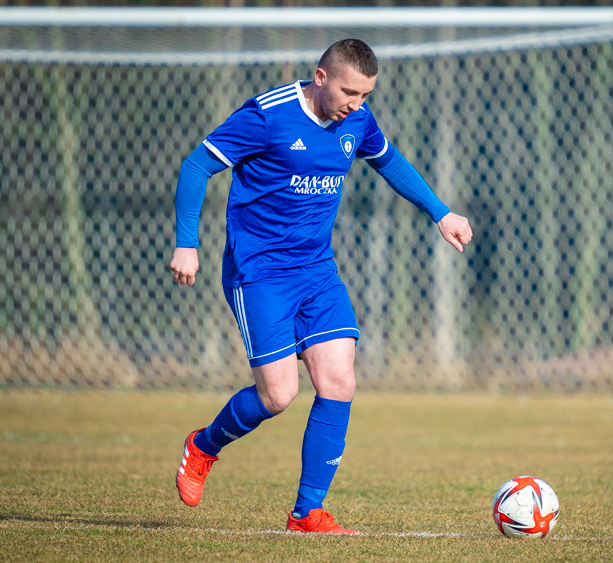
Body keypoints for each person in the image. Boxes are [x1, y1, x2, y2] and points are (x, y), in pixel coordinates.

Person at [169, 39, 472, 535]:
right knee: (278, 395)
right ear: (321, 77)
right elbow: (197, 165)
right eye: (350, 91)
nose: (357, 104)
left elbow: (390, 163)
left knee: (339, 382)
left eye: (366, 94)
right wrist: (187, 244)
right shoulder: (268, 116)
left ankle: (306, 512)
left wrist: (441, 212)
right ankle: (203, 446)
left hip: (317, 271)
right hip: (260, 273)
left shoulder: (358, 119)